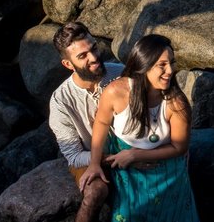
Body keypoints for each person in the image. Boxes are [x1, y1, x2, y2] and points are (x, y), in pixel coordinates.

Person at [79, 33, 199, 222]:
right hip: (126, 164)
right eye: (162, 65)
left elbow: (179, 147)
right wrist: (94, 163)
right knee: (128, 215)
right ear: (144, 66)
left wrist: (136, 155)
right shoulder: (115, 92)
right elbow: (101, 123)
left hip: (165, 165)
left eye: (171, 63)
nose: (170, 70)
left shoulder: (176, 103)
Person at [49, 21, 124, 222]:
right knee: (95, 191)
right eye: (82, 56)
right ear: (68, 64)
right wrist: (107, 158)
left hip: (133, 148)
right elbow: (73, 156)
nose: (94, 58)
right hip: (91, 157)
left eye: (94, 48)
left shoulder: (122, 74)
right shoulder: (61, 101)